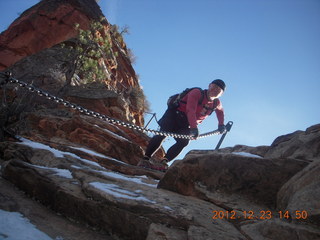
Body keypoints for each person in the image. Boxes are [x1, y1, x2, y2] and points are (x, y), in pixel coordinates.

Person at [139, 79, 226, 171]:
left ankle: (163, 162)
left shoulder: (216, 103)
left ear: (221, 94)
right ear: (209, 85)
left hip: (186, 123)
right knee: (163, 133)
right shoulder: (197, 93)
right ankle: (145, 159)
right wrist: (194, 128)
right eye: (214, 86)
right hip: (174, 115)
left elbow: (220, 112)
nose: (215, 90)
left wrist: (221, 125)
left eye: (219, 90)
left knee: (184, 141)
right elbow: (190, 110)